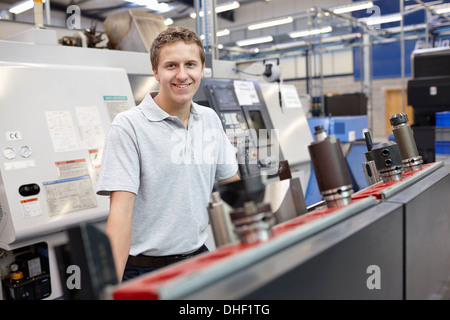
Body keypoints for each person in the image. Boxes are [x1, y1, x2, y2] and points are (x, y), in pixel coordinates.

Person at [96, 26, 240, 282]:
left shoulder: (209, 119)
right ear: (155, 71)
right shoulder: (129, 126)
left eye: (190, 64)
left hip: (199, 259)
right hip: (146, 271)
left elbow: (233, 185)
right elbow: (120, 215)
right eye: (171, 65)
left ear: (202, 68)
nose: (182, 75)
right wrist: (109, 290)